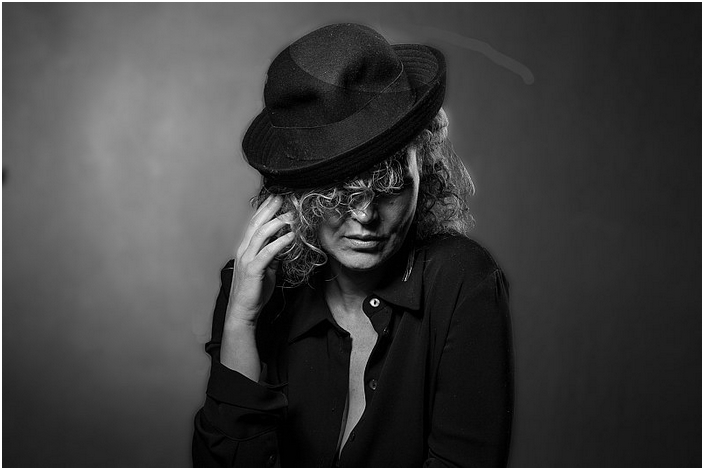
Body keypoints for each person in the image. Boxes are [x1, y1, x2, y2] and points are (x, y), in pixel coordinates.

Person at [193, 23, 513, 467]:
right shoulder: (252, 289)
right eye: (338, 194)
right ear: (298, 197)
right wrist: (241, 322)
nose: (365, 216)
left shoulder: (462, 282)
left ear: (424, 168)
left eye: (390, 183)